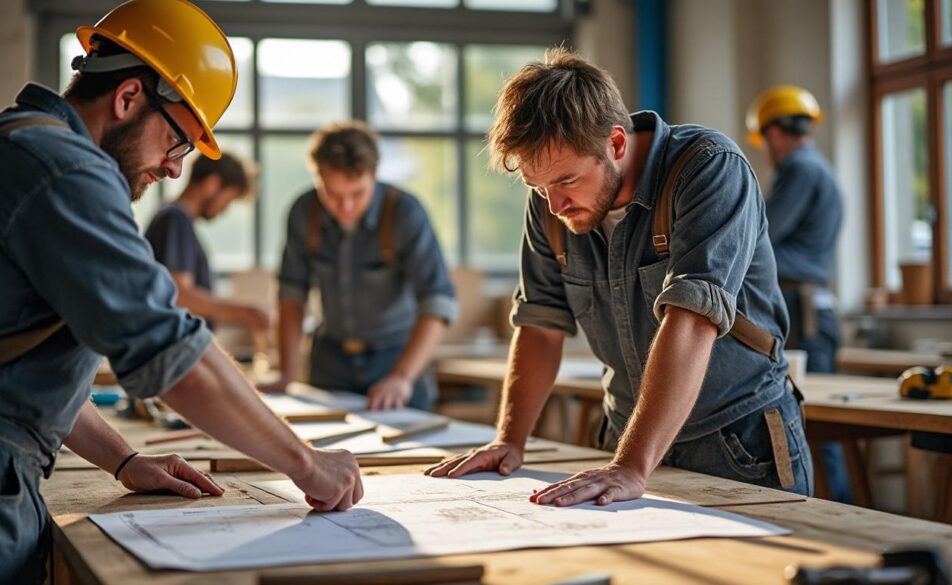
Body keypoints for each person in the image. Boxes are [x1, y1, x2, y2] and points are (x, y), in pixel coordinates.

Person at [0, 2, 360, 583]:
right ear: (129, 97)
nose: (173, 169)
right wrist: (306, 464)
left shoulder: (10, 145)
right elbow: (171, 353)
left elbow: (9, 374)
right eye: (176, 140)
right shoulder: (62, 169)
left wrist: (124, 460)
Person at [426, 49, 813, 505]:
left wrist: (632, 466)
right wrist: (509, 440)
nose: (554, 205)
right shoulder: (552, 205)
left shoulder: (709, 169)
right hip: (625, 437)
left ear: (615, 143)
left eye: (566, 181)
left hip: (734, 439)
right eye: (538, 187)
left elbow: (691, 319)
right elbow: (539, 324)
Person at [259, 120, 457, 411]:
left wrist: (402, 376)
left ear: (375, 174)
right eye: (334, 194)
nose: (346, 207)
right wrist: (287, 373)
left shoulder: (404, 213)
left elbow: (437, 302)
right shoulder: (304, 211)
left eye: (357, 194)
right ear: (317, 177)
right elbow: (291, 295)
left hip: (396, 358)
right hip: (329, 361)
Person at [747, 85, 848, 501]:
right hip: (808, 304)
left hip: (799, 308)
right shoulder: (817, 168)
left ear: (772, 133)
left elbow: (758, 232)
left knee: (812, 424)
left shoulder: (798, 170)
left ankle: (836, 516)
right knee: (813, 423)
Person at [145, 153, 271, 333]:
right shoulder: (174, 220)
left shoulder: (176, 219)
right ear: (212, 183)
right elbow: (180, 296)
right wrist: (245, 312)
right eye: (227, 200)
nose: (224, 210)